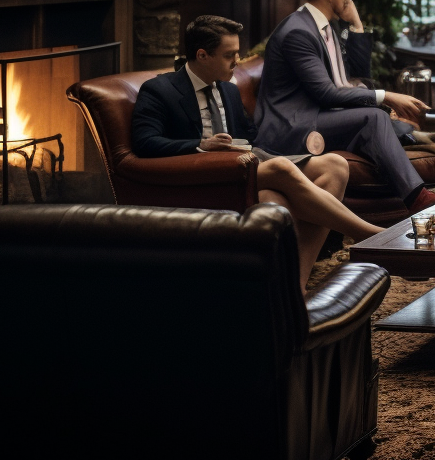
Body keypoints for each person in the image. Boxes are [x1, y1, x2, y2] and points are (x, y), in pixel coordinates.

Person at [131, 15, 384, 291]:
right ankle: (369, 235)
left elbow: (250, 137)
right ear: (202, 55)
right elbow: (145, 143)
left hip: (247, 164)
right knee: (278, 180)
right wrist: (201, 145)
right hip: (204, 176)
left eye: (238, 52)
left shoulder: (227, 89)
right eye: (229, 55)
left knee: (335, 165)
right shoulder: (159, 90)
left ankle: (295, 284)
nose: (237, 60)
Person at [254, 0, 435, 212]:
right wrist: (387, 96)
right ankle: (416, 197)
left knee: (376, 113)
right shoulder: (298, 32)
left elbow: (357, 77)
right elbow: (326, 93)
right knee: (375, 118)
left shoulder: (324, 26)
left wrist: (356, 25)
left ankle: (405, 134)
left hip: (320, 113)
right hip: (294, 126)